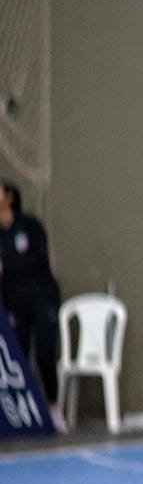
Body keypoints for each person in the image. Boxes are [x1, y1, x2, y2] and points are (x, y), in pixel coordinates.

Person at [0, 179, 61, 423]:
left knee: (45, 352)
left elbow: (37, 258)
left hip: (42, 299)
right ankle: (26, 415)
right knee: (19, 356)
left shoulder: (31, 227)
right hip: (16, 305)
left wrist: (8, 264)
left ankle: (54, 408)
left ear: (9, 197)